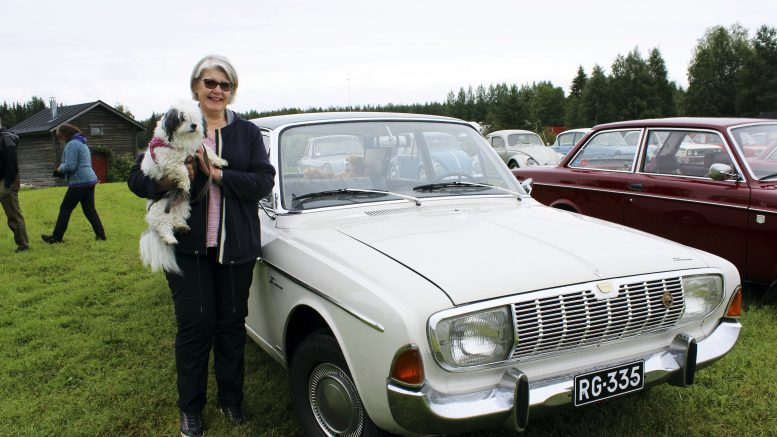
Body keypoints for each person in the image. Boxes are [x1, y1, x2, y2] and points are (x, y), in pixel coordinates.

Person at [127, 54, 275, 437]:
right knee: (195, 327)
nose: (217, 91)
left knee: (230, 326)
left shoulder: (247, 133)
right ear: (196, 86)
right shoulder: (174, 123)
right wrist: (165, 183)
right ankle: (190, 409)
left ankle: (231, 401)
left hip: (235, 246)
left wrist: (217, 174)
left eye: (225, 85)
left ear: (232, 91)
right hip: (189, 249)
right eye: (210, 83)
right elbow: (137, 178)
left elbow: (263, 182)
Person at [41, 124, 107, 244]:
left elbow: (70, 166)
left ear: (66, 134)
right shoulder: (82, 143)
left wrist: (59, 168)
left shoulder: (72, 144)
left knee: (65, 208)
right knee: (89, 210)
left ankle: (56, 238)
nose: (60, 140)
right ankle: (101, 235)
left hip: (79, 182)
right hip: (90, 180)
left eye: (60, 137)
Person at [0, 116, 29, 253]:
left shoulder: (6, 138)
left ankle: (23, 244)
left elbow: (12, 163)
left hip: (7, 180)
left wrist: (7, 183)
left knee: (12, 213)